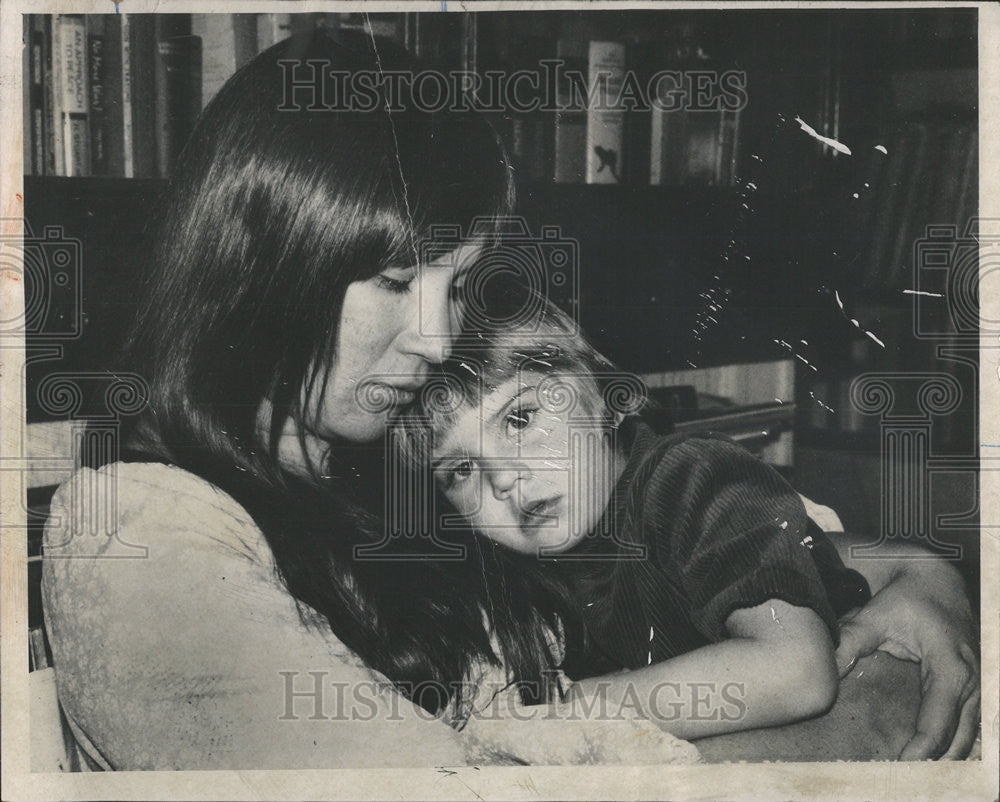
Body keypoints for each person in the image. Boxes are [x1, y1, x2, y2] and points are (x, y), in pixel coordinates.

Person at [40, 28, 979, 771]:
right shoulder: (133, 525)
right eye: (401, 281)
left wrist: (919, 575)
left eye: (459, 283)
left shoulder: (377, 447)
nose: (441, 339)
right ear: (270, 266)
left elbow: (682, 537)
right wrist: (870, 713)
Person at [398, 302, 974, 746]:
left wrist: (565, 714)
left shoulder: (690, 475)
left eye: (520, 418)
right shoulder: (538, 566)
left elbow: (797, 669)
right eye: (461, 469)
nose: (503, 479)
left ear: (604, 397)